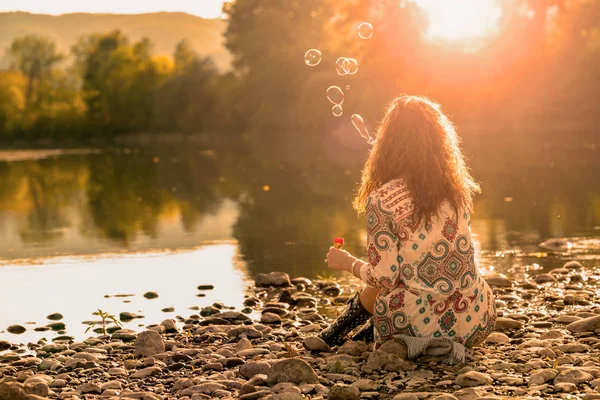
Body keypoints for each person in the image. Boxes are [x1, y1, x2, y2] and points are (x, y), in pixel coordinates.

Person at [320, 95, 496, 363]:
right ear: (441, 142)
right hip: (476, 316)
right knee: (412, 273)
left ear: (386, 144)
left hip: (418, 322)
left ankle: (334, 334)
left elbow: (384, 278)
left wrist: (347, 262)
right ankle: (356, 335)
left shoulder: (382, 199)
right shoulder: (456, 190)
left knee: (383, 284)